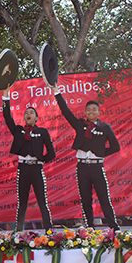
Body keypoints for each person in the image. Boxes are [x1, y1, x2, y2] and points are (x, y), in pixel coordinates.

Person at [53, 86, 120, 229]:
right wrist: (57, 92)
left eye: (94, 109)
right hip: (82, 167)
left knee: (104, 197)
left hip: (97, 166)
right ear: (85, 112)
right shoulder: (79, 124)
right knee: (85, 199)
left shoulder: (105, 127)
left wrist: (100, 153)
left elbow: (116, 147)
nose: (91, 112)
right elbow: (66, 112)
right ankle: (89, 227)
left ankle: (114, 226)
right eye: (88, 109)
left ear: (99, 112)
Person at [2, 88, 55, 230]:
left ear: (37, 118)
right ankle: (19, 231)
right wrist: (5, 97)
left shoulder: (42, 132)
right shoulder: (19, 130)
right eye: (26, 113)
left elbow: (51, 153)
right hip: (23, 168)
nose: (28, 114)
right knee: (22, 201)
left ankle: (49, 230)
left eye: (31, 112)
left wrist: (41, 160)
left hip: (37, 169)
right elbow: (8, 117)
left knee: (42, 201)